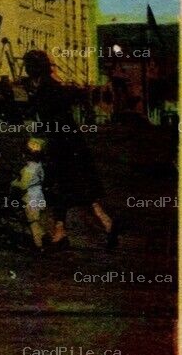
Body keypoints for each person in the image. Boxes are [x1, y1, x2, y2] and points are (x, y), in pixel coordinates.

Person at [23, 49, 119, 250]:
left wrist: (39, 136)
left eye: (28, 65)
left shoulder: (47, 89)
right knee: (70, 190)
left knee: (66, 189)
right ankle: (67, 231)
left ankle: (102, 224)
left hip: (63, 147)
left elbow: (50, 117)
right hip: (69, 144)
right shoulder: (49, 86)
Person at [13, 136, 48, 250]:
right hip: (39, 195)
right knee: (38, 222)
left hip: (31, 197)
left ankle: (39, 246)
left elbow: (24, 184)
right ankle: (45, 242)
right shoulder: (39, 166)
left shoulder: (30, 168)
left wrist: (14, 183)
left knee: (33, 223)